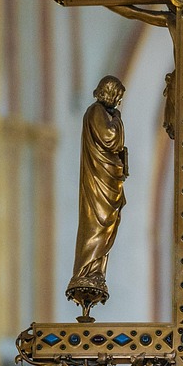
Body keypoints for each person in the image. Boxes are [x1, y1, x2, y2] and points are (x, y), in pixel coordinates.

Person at [66, 76, 128, 313]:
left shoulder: (105, 114)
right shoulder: (96, 112)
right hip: (98, 184)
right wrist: (118, 122)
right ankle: (86, 272)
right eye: (117, 96)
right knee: (95, 226)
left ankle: (95, 272)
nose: (119, 102)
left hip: (108, 180)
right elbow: (110, 138)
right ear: (108, 92)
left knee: (106, 230)